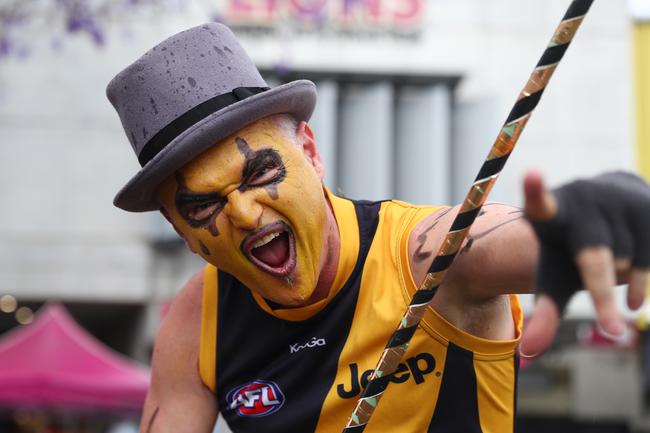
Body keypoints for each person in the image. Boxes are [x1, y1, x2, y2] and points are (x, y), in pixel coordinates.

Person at [106, 23, 650, 433]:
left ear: (310, 153)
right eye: (203, 206)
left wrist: (598, 215)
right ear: (178, 228)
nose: (246, 213)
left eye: (261, 172)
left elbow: (501, 240)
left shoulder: (423, 255)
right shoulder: (198, 320)